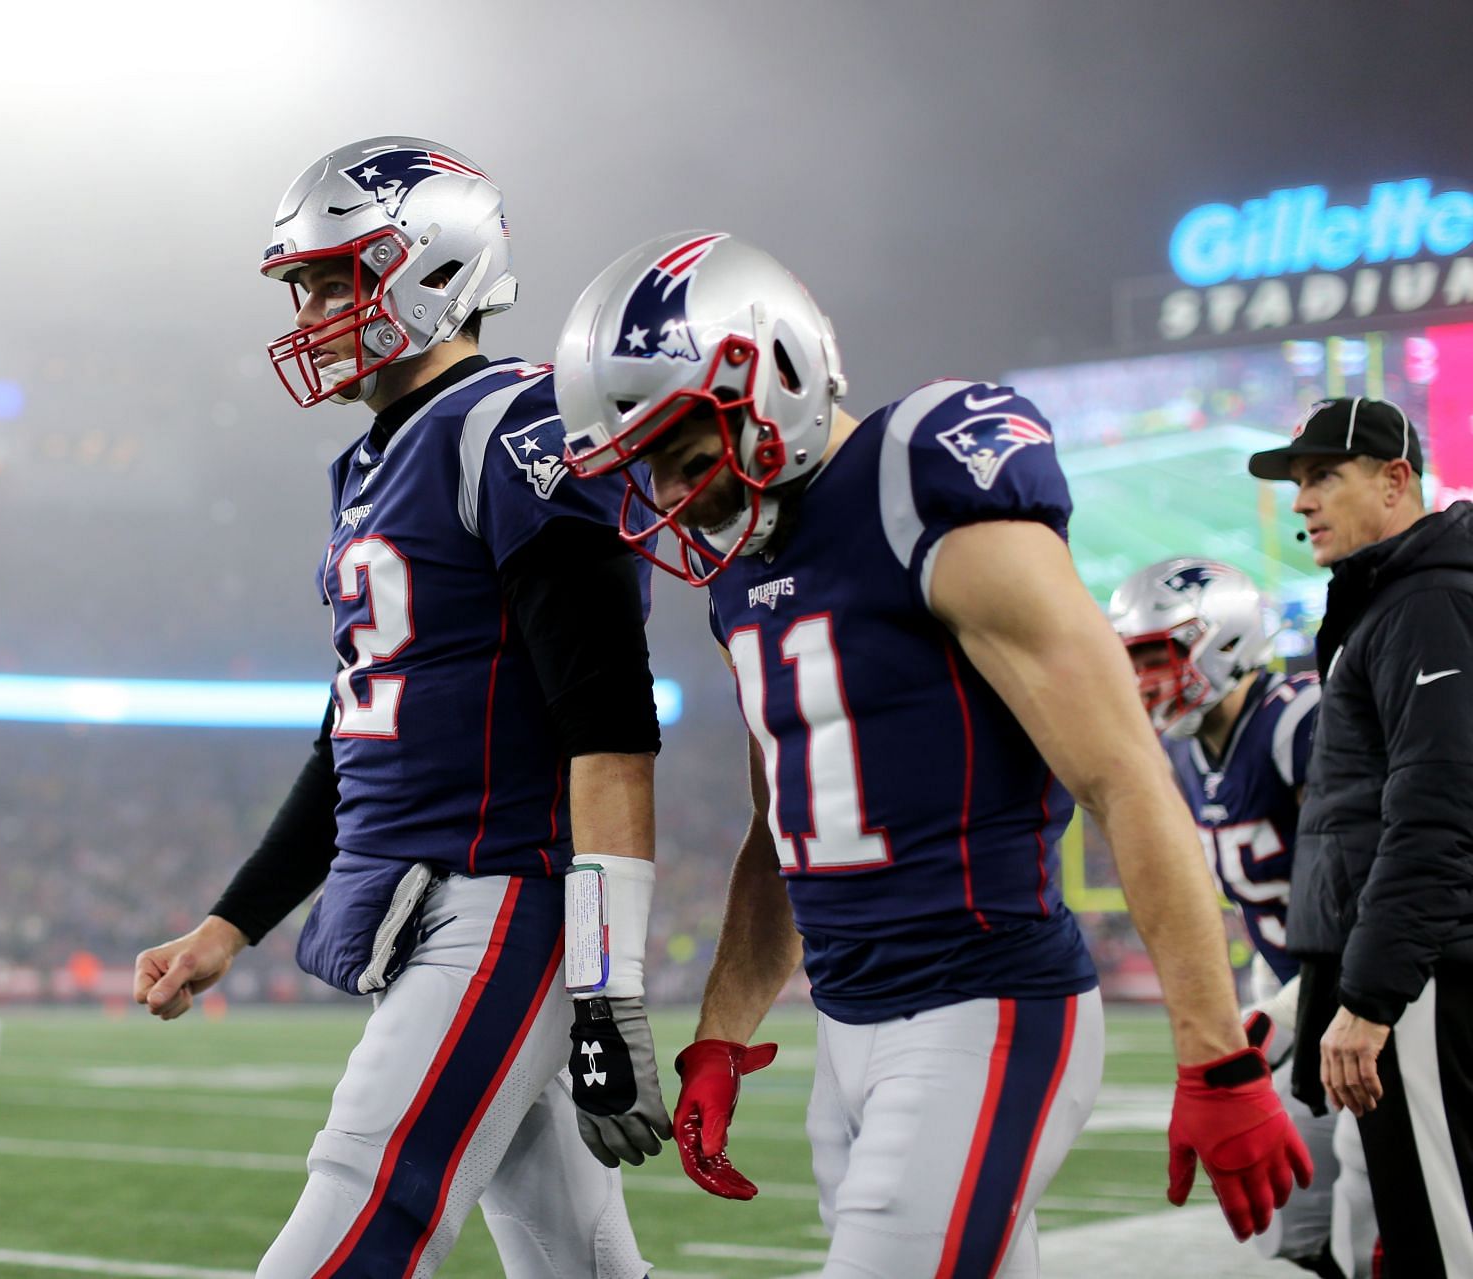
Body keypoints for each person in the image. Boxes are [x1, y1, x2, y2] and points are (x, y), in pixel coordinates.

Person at [551, 231, 1311, 1276]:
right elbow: (781, 834)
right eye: (654, 471)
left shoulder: (921, 479)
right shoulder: (742, 576)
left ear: (774, 372)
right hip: (849, 1030)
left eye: (690, 454)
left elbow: (1123, 773)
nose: (684, 497)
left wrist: (1215, 1055)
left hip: (983, 1010)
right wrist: (721, 1031)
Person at [132, 137, 665, 1278]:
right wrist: (232, 922)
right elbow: (356, 730)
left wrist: (609, 980)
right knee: (578, 1265)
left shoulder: (514, 428)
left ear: (433, 267)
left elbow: (610, 724)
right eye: (305, 285)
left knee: (358, 1215)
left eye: (336, 276)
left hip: (504, 898)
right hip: (426, 894)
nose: (314, 308)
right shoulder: (367, 463)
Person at [1248, 397, 1473, 1277]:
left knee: (1444, 1244)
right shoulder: (1391, 603)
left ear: (1395, 479)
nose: (1302, 500)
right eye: (1298, 482)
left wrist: (1373, 998)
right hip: (1411, 976)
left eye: (1322, 476)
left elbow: (1434, 813)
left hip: (1423, 983)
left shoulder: (1427, 603)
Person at [1110, 558, 1370, 1277]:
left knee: (1376, 1211)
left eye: (1155, 655)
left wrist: (1280, 1015)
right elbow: (1266, 907)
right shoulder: (1187, 752)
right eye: (1132, 659)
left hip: (1370, 1003)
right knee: (1292, 1215)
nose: (1143, 680)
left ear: (1219, 641)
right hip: (1302, 1001)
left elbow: (1357, 888)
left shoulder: (1299, 719)